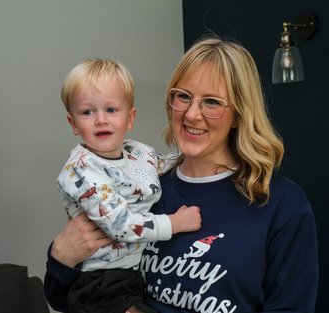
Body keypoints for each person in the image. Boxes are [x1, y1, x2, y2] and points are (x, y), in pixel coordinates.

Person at [44, 37, 318, 313]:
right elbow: (63, 297)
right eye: (183, 96)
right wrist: (61, 255)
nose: (192, 114)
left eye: (211, 102)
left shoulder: (282, 204)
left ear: (238, 115)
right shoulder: (142, 186)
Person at [53, 58, 202, 313]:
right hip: (97, 281)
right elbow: (120, 226)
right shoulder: (82, 168)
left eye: (111, 110)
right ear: (73, 124)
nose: (100, 119)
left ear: (130, 117)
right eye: (88, 112)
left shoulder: (138, 152)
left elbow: (167, 164)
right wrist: (174, 223)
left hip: (132, 274)